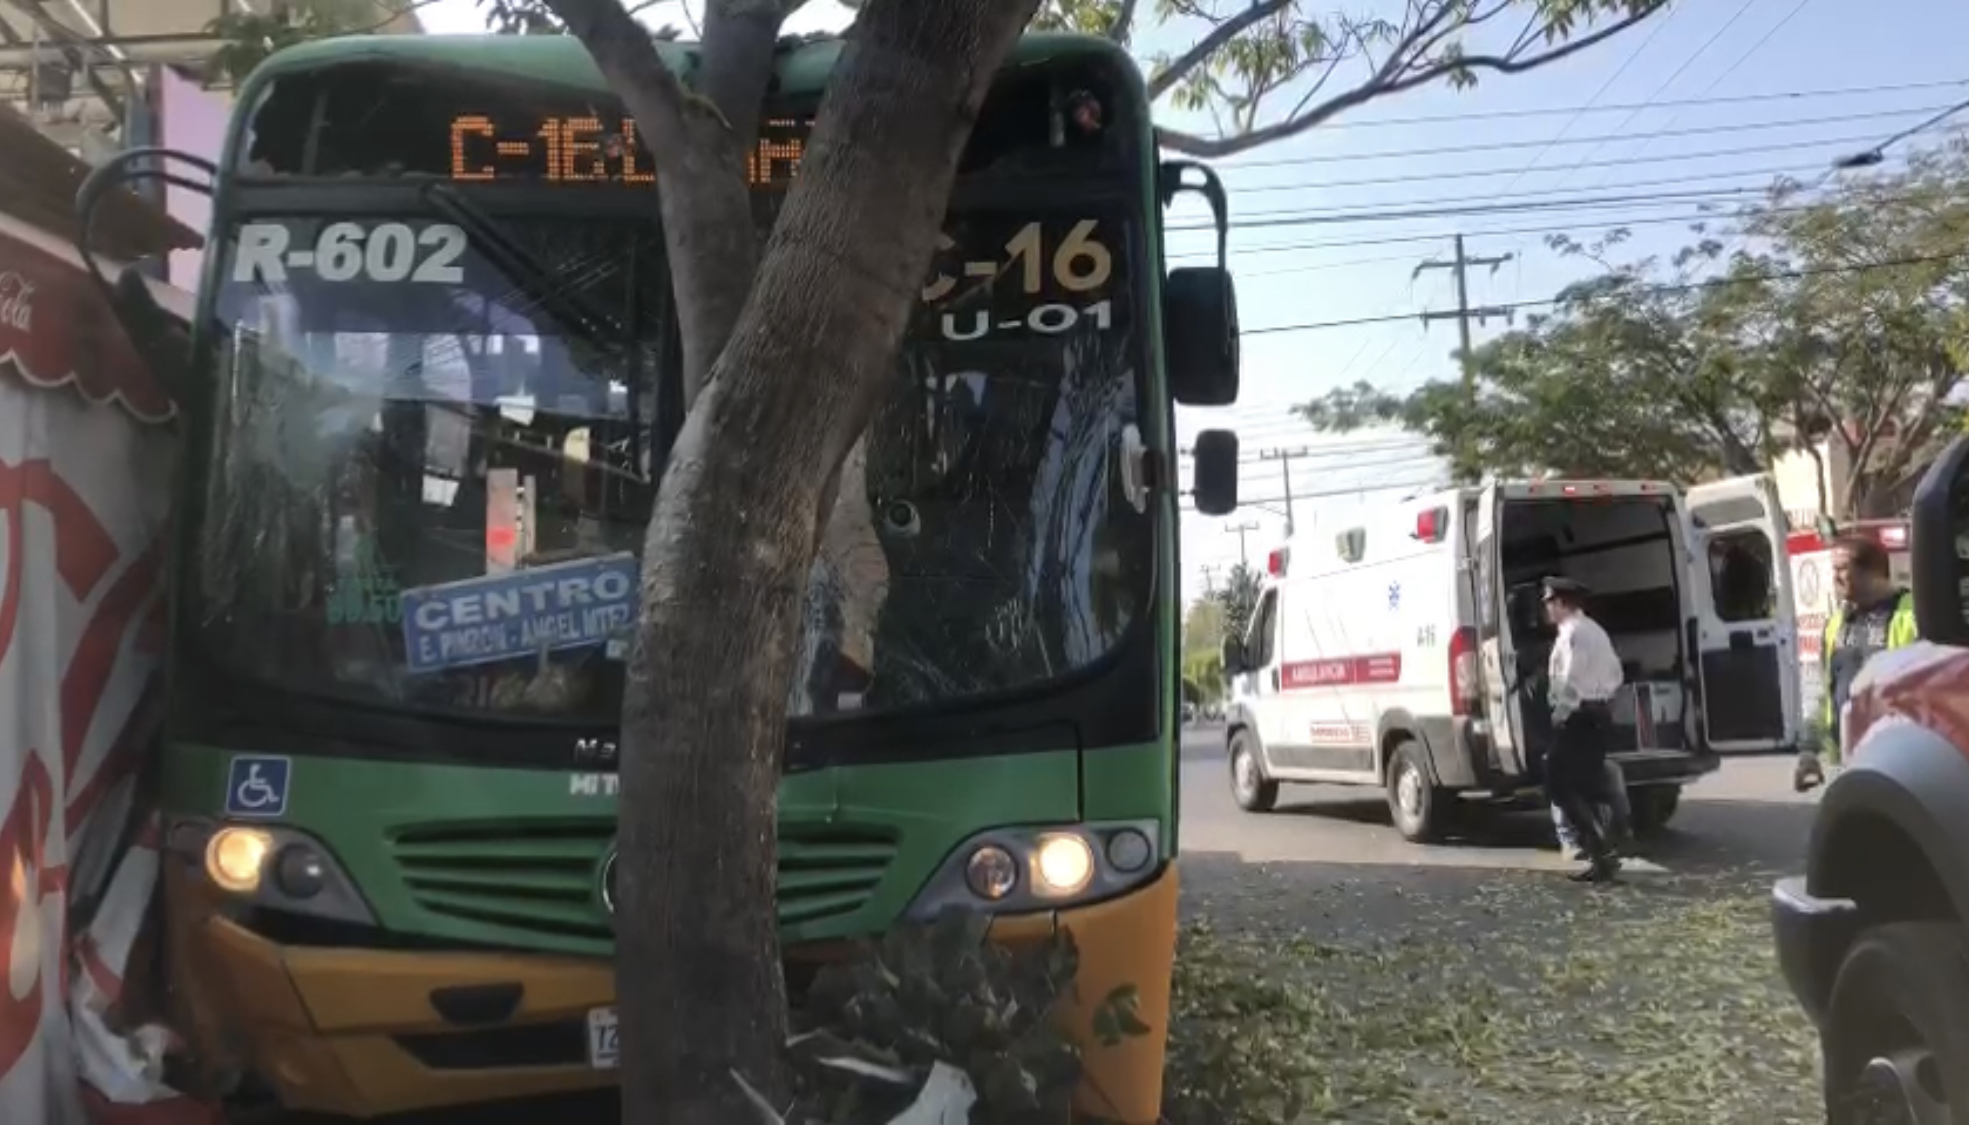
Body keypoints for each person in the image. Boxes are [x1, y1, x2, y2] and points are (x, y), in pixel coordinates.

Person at [1794, 536, 1917, 792]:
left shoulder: (1911, 614)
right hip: (1847, 761)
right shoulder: (1836, 624)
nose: (1834, 578)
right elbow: (1819, 689)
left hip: (1899, 761)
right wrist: (1809, 750)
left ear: (1872, 572)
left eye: (1842, 569)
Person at [1542, 576, 1625, 882]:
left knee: (1558, 783)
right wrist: (1604, 695)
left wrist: (1560, 714)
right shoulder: (1596, 631)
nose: (1547, 609)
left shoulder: (1573, 634)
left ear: (1562, 603)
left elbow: (1571, 681)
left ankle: (1602, 846)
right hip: (1598, 714)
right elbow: (1617, 673)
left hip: (1578, 718)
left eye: (1549, 603)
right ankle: (1605, 853)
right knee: (1585, 783)